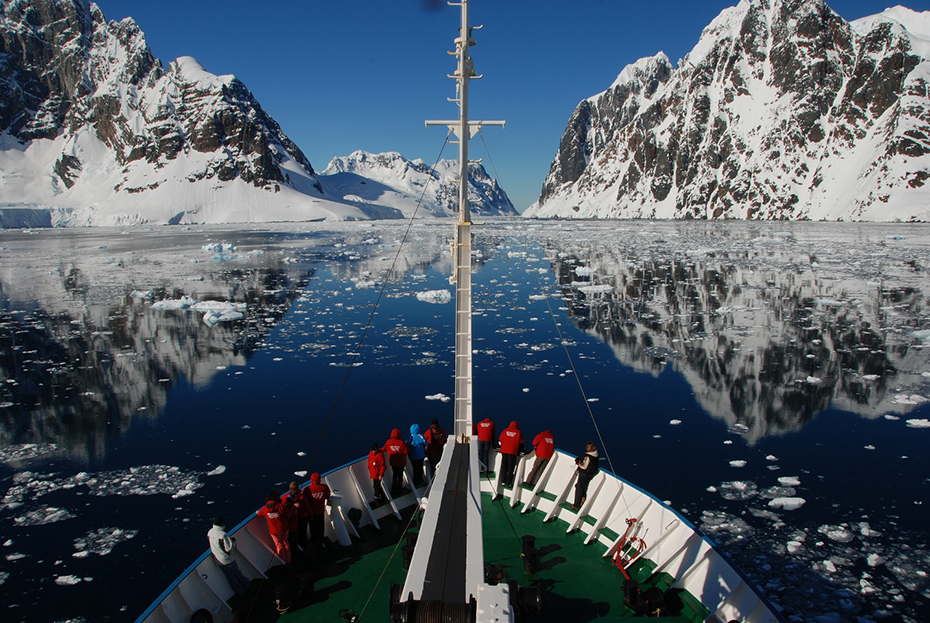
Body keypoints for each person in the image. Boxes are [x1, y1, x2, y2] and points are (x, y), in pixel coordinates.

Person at [208, 516, 250, 596]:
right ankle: (247, 585)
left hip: (217, 559)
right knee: (237, 573)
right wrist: (232, 541)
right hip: (226, 559)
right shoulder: (223, 535)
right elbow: (228, 548)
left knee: (230, 576)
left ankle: (240, 591)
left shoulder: (210, 532)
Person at [257, 491, 291, 564]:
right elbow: (288, 514)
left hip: (274, 531)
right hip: (284, 529)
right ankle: (289, 561)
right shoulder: (280, 506)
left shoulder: (265, 509)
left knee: (279, 546)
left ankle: (283, 562)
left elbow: (259, 514)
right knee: (286, 544)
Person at [303, 473, 332, 545]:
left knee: (313, 528)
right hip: (320, 511)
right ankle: (321, 540)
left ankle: (315, 542)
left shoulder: (308, 489)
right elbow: (327, 496)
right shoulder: (324, 487)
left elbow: (304, 500)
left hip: (311, 513)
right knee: (321, 527)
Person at [281, 482, 308, 553]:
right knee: (302, 533)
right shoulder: (301, 496)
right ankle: (303, 547)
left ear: (290, 489)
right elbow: (307, 506)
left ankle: (294, 551)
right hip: (302, 518)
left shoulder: (285, 498)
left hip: (291, 522)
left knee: (292, 537)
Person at [572, 442, 600, 510]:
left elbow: (584, 466)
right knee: (583, 487)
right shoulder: (595, 455)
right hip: (590, 474)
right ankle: (583, 497)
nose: (587, 448)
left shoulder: (588, 456)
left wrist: (578, 462)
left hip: (584, 474)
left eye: (588, 447)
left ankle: (576, 505)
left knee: (579, 488)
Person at [498, 421, 524, 488]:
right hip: (512, 452)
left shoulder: (505, 431)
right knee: (510, 467)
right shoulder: (518, 432)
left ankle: (503, 481)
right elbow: (521, 442)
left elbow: (500, 439)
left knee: (504, 466)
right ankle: (508, 483)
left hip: (504, 451)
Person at [383, 428, 409, 496]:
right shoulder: (401, 443)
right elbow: (406, 452)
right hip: (401, 463)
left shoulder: (389, 442)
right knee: (400, 476)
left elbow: (384, 449)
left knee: (394, 475)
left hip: (393, 463)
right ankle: (399, 489)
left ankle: (394, 489)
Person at [407, 423, 428, 488]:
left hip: (413, 457)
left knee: (415, 469)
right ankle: (420, 481)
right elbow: (426, 443)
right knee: (420, 468)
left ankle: (415, 482)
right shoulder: (421, 436)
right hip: (421, 456)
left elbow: (407, 444)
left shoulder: (411, 437)